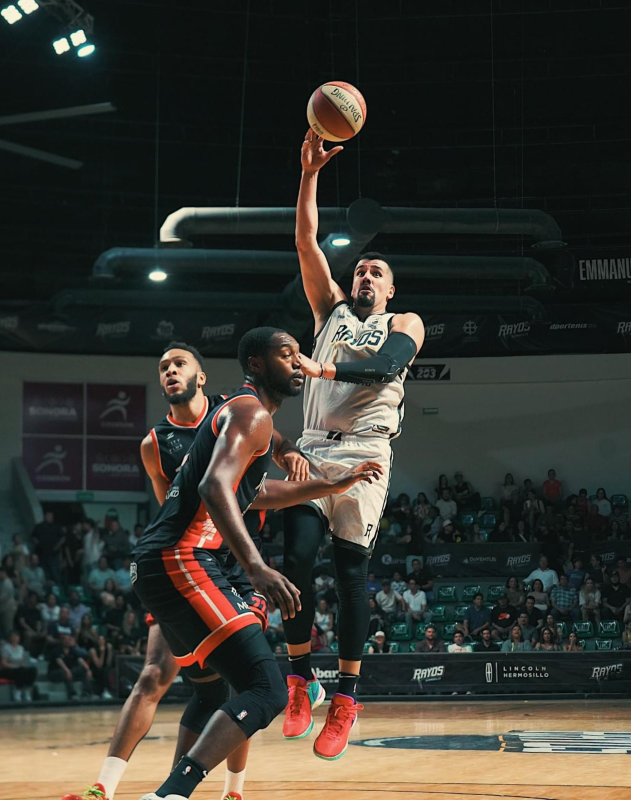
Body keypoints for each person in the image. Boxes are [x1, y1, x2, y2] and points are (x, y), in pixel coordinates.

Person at [64, 336, 357, 800]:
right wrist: (256, 566)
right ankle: (161, 793)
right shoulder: (246, 414)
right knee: (264, 688)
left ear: (203, 377)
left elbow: (250, 493)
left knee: (222, 691)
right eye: (287, 355)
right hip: (187, 560)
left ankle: (202, 792)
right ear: (257, 364)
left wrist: (326, 483)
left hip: (166, 563)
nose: (300, 363)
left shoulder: (235, 413)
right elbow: (215, 487)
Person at [280, 128, 428, 763]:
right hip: (314, 449)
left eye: (378, 271)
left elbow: (383, 368)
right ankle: (298, 678)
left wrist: (323, 372)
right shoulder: (330, 313)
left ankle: (346, 697)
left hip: (365, 454)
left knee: (349, 575)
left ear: (390, 290)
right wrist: (309, 173)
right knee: (294, 556)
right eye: (362, 268)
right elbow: (306, 241)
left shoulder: (404, 323)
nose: (365, 273)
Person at [47, 633, 93, 701]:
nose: (68, 641)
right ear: (62, 641)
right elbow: (59, 661)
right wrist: (67, 670)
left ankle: (86, 692)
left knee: (83, 669)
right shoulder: (57, 650)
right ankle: (72, 694)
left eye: (69, 639)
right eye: (66, 640)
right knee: (65, 672)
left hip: (69, 672)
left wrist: (88, 669)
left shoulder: (72, 650)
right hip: (55, 673)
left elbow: (80, 659)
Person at [0, 631, 38, 702]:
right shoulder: (5, 648)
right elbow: (4, 663)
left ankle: (27, 690)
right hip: (8, 669)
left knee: (32, 670)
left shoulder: (20, 648)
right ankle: (18, 692)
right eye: (13, 637)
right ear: (10, 638)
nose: (15, 638)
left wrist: (22, 666)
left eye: (17, 637)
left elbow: (21, 661)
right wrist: (15, 666)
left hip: (19, 668)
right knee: (20, 671)